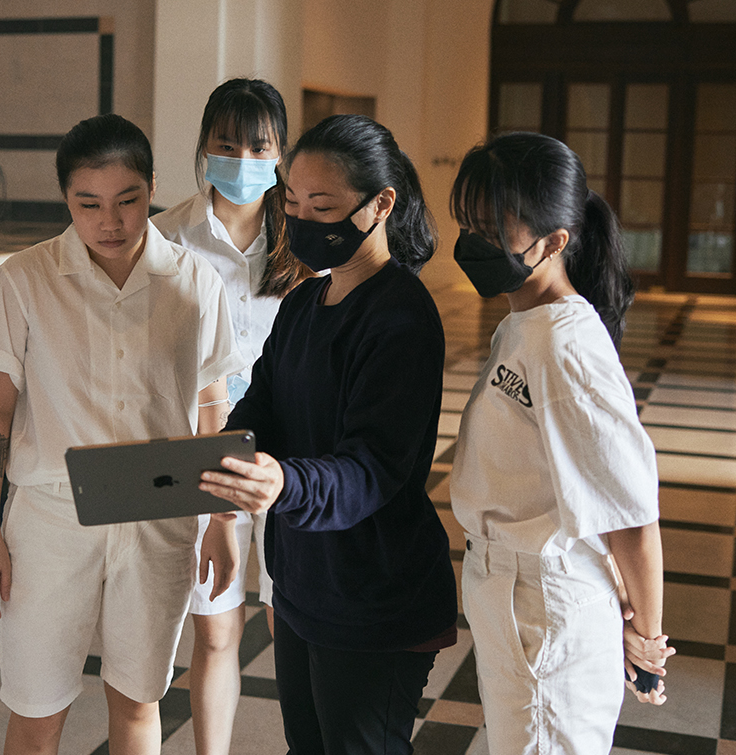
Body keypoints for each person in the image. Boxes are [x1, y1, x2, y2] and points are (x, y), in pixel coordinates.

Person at [0, 113, 245, 755]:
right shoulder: (24, 279)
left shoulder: (194, 280)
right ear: (66, 198)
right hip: (50, 519)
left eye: (129, 201)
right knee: (36, 712)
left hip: (159, 513)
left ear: (153, 188)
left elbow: (211, 407)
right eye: (88, 204)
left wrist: (222, 522)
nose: (110, 222)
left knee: (139, 704)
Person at [198, 114, 458, 755]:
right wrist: (222, 458)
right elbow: (263, 409)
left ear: (380, 205)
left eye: (324, 206)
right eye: (291, 202)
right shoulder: (304, 304)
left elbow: (372, 467)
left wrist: (284, 481)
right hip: (304, 586)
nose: (302, 220)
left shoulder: (400, 317)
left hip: (374, 594)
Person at [446, 131, 674, 754]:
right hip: (511, 590)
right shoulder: (524, 320)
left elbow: (630, 514)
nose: (472, 242)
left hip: (546, 597)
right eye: (467, 223)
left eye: (492, 230)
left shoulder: (567, 345)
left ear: (552, 243)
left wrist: (647, 639)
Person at [151, 77, 311, 755]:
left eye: (259, 145)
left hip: (291, 454)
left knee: (292, 620)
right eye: (226, 144)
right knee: (215, 626)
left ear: (279, 152)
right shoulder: (167, 239)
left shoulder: (304, 242)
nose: (242, 159)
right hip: (202, 448)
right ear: (204, 149)